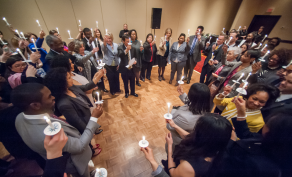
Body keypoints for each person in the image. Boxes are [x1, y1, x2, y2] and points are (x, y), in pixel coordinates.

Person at [12, 83, 102, 177]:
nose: (54, 97)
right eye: (49, 96)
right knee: (83, 174)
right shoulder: (48, 136)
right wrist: (94, 118)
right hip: (75, 162)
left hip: (72, 155)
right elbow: (80, 146)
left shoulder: (20, 117)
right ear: (35, 105)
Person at [218, 109, 292, 177]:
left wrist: (231, 141)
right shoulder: (272, 142)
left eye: (266, 124)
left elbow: (222, 166)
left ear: (272, 132)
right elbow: (247, 135)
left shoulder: (259, 166)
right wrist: (241, 113)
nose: (263, 125)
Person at [164, 113, 232, 177]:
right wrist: (175, 126)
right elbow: (191, 138)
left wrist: (170, 146)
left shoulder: (188, 167)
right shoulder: (219, 147)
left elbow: (173, 173)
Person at [44, 67, 104, 136]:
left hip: (88, 119)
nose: (72, 79)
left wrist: (97, 77)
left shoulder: (70, 87)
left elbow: (85, 87)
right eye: (69, 78)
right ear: (61, 82)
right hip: (84, 128)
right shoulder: (64, 104)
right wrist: (90, 130)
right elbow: (78, 123)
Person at [214, 83, 279, 133]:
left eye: (262, 102)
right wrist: (224, 93)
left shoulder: (258, 122)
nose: (256, 103)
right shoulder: (239, 99)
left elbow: (244, 137)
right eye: (254, 99)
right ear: (249, 95)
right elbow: (218, 101)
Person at [166, 83, 211, 152]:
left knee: (171, 156)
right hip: (187, 140)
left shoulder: (185, 119)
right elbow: (193, 103)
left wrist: (174, 109)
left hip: (177, 143)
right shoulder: (205, 108)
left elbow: (170, 126)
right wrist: (182, 94)